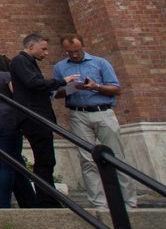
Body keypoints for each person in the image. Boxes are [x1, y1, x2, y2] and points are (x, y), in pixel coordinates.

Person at [53, 34, 136, 209]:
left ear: (83, 45)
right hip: (78, 113)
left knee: (117, 157)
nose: (74, 55)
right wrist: (68, 89)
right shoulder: (60, 67)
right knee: (87, 159)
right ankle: (98, 203)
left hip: (102, 111)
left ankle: (129, 202)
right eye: (69, 52)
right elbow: (55, 92)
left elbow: (116, 88)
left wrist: (95, 86)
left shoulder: (100, 63)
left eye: (76, 51)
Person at [10, 33, 78, 207]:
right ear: (31, 46)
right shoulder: (20, 61)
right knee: (44, 158)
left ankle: (48, 197)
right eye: (43, 49)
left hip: (38, 116)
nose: (46, 53)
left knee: (46, 159)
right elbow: (33, 83)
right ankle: (46, 200)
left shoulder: (28, 62)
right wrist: (62, 81)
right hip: (33, 116)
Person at [0, 54, 37, 208]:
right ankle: (4, 204)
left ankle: (30, 201)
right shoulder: (6, 76)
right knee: (9, 165)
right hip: (8, 123)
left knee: (15, 161)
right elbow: (18, 96)